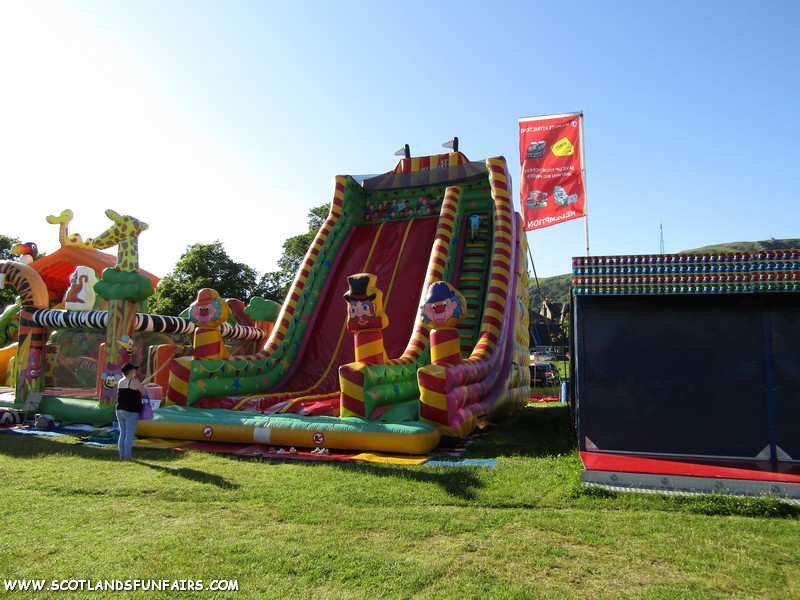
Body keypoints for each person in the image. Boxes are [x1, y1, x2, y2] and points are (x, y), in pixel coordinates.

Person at [116, 363, 145, 461]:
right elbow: (143, 393)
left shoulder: (120, 381)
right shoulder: (135, 381)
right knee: (129, 434)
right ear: (131, 371)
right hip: (131, 410)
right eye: (134, 370)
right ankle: (128, 456)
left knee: (122, 433)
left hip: (120, 409)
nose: (135, 371)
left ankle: (121, 455)